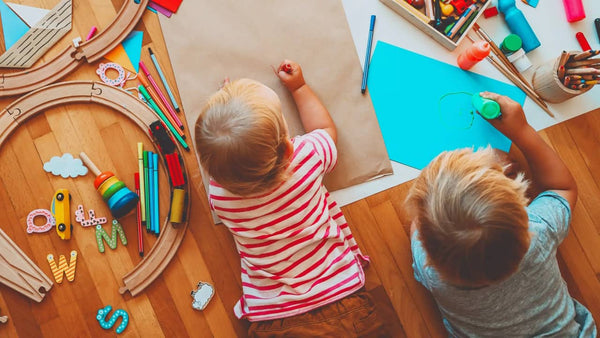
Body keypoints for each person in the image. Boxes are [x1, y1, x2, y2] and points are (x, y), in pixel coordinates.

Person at [195, 60, 386, 337]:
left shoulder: (222, 199)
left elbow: (226, 161)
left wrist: (231, 121)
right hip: (341, 298)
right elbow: (325, 131)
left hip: (273, 318)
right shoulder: (306, 158)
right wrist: (299, 88)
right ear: (287, 149)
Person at [405, 92, 597, 337]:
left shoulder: (434, 276)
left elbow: (417, 226)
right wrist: (521, 130)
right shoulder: (538, 234)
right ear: (523, 205)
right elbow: (561, 188)